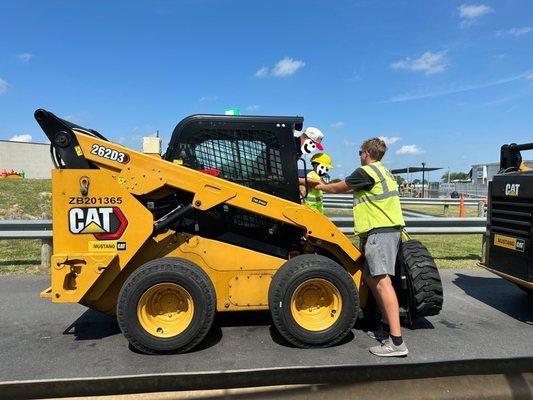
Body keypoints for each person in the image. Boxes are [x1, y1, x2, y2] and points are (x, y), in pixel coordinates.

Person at [315, 137, 407, 357]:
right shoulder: (382, 172)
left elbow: (339, 187)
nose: (359, 156)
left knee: (383, 283)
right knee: (369, 275)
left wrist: (321, 187)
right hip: (385, 231)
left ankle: (397, 343)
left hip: (379, 232)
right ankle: (385, 329)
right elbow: (353, 189)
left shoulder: (365, 171)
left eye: (359, 152)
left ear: (366, 152)